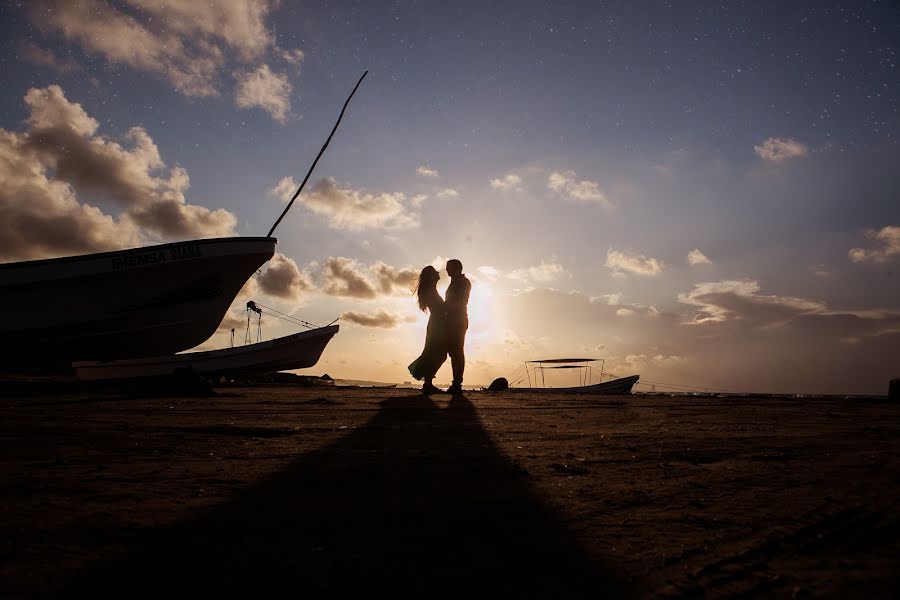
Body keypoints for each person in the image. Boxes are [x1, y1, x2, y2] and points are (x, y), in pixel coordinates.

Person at [407, 266, 447, 394]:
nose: (438, 272)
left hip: (437, 324)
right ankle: (428, 383)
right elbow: (438, 309)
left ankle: (428, 383)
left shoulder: (431, 289)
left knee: (435, 353)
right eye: (435, 272)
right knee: (437, 354)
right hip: (437, 324)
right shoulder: (430, 290)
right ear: (431, 276)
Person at [444, 259, 471, 395]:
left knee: (457, 352)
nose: (446, 269)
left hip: (458, 320)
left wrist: (444, 309)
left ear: (457, 268)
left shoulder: (463, 282)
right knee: (453, 352)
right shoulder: (454, 282)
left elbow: (460, 302)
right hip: (451, 320)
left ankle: (457, 384)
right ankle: (456, 383)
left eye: (448, 267)